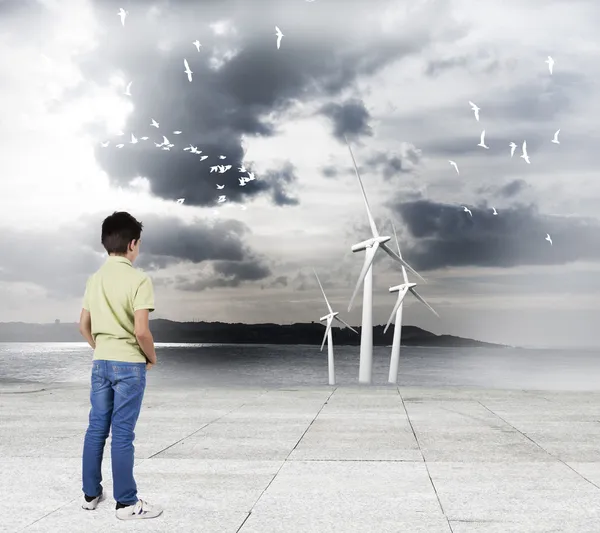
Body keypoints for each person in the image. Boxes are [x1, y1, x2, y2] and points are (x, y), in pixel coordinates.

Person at [79, 211, 163, 520]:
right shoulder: (140, 279)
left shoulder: (94, 279)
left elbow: (83, 326)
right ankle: (127, 503)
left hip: (100, 362)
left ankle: (90, 495)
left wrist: (100, 348)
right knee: (123, 433)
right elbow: (142, 331)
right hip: (129, 365)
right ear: (133, 244)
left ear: (105, 244)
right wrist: (150, 358)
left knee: (96, 429)